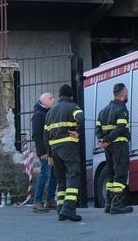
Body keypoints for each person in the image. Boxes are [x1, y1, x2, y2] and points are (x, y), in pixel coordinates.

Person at [44, 84, 84, 222]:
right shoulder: (73, 106)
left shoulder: (50, 112)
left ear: (60, 96)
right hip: (68, 147)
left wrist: (49, 154)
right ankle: (69, 209)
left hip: (54, 149)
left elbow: (46, 135)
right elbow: (81, 118)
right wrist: (77, 131)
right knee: (73, 176)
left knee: (61, 180)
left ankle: (61, 210)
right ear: (71, 95)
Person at [96, 83, 133, 215]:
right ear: (123, 94)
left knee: (111, 175)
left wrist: (102, 139)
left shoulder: (103, 111)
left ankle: (108, 204)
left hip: (109, 147)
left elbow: (97, 128)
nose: (127, 95)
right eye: (126, 92)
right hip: (119, 146)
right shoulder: (122, 109)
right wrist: (107, 140)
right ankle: (117, 204)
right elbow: (120, 128)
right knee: (120, 174)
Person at [30, 92, 57, 212]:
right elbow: (37, 135)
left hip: (53, 149)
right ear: (43, 100)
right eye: (50, 98)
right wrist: (42, 152)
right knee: (45, 174)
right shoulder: (38, 115)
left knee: (54, 174)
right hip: (45, 151)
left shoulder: (50, 113)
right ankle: (37, 201)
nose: (53, 100)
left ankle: (51, 200)